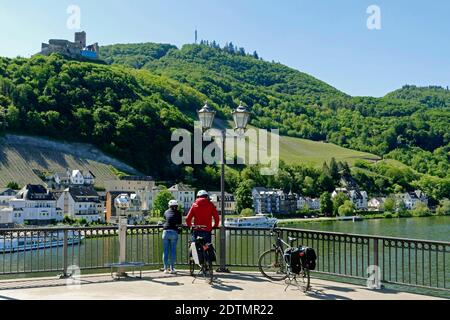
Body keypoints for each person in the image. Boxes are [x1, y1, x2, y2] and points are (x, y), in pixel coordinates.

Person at [162, 199, 182, 274]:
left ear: (169, 206)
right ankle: (172, 269)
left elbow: (165, 219)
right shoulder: (178, 213)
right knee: (173, 251)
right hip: (174, 232)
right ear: (176, 206)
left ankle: (165, 269)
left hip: (165, 232)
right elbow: (179, 223)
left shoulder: (166, 212)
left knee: (165, 251)